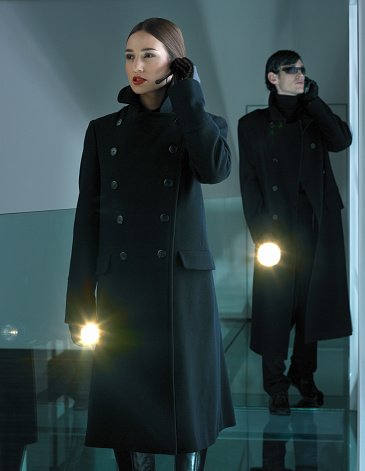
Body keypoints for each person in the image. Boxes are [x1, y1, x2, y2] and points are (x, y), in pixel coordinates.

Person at [65, 17, 235, 471]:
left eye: (148, 54)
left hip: (181, 288)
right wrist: (78, 303)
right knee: (129, 406)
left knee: (186, 414)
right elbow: (88, 221)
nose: (135, 65)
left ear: (175, 63)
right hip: (122, 287)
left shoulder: (203, 123)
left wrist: (190, 97)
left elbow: (215, 170)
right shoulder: (103, 131)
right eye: (129, 55)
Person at [238, 50, 352, 415]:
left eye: (303, 69)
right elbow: (250, 183)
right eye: (292, 70)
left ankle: (305, 378)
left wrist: (314, 102)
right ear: (273, 77)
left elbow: (341, 140)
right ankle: (276, 386)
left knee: (311, 306)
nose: (300, 75)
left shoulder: (312, 116)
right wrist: (259, 236)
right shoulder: (253, 124)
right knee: (274, 307)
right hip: (275, 231)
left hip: (315, 226)